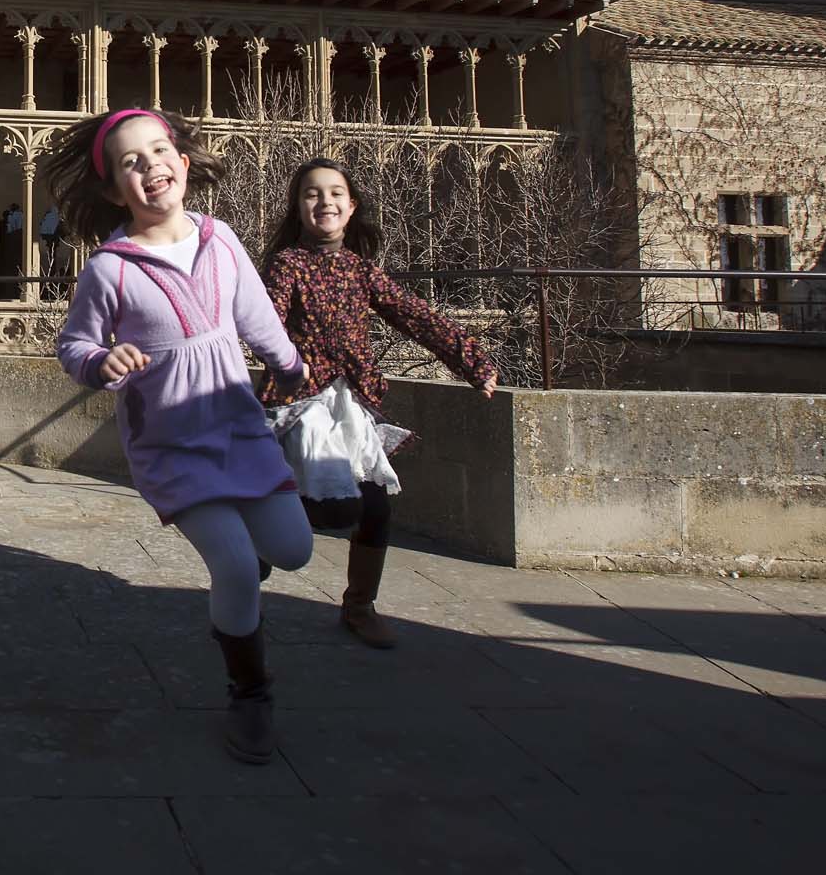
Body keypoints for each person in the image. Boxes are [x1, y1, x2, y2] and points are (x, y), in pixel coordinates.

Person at [46, 108, 310, 765]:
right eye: (131, 162)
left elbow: (256, 317)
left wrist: (293, 367)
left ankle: (247, 570)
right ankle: (250, 693)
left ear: (184, 165)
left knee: (295, 550)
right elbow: (74, 341)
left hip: (240, 430)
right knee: (234, 568)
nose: (150, 166)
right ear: (114, 191)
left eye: (159, 151)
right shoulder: (111, 267)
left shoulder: (221, 240)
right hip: (169, 445)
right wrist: (100, 362)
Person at [260, 156, 498, 649]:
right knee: (331, 509)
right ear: (297, 207)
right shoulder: (288, 264)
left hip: (352, 402)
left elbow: (416, 315)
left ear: (351, 207)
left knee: (374, 508)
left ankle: (359, 605)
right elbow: (265, 319)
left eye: (334, 193)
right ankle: (260, 535)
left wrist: (470, 360)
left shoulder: (362, 270)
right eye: (311, 193)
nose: (324, 201)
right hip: (304, 403)